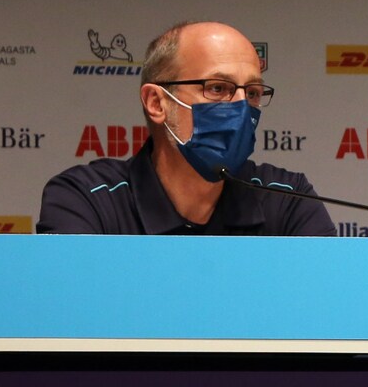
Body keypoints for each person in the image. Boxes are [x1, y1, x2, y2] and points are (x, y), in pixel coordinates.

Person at [38, 20, 335, 235]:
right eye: (218, 88)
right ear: (157, 103)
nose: (242, 107)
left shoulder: (288, 199)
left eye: (253, 92)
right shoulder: (87, 198)